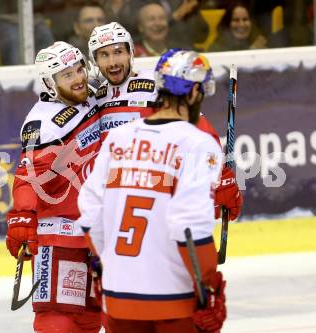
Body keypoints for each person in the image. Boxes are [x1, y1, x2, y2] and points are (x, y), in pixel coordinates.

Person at [78, 48, 227, 333]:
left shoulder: (120, 137)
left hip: (118, 297)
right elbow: (189, 225)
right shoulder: (197, 142)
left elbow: (89, 210)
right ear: (194, 92)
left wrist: (107, 265)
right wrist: (208, 282)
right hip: (173, 298)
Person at [88, 21, 243, 223]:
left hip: (162, 199)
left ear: (130, 53)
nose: (112, 62)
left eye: (118, 52)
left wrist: (220, 176)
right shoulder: (95, 99)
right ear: (95, 60)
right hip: (118, 204)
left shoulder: (156, 85)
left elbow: (199, 130)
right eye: (104, 55)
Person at [5, 41, 101, 333]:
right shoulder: (43, 123)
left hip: (100, 234)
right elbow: (28, 176)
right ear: (50, 82)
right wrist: (23, 216)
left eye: (79, 69)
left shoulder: (95, 96)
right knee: (58, 321)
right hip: (59, 238)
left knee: (91, 319)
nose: (78, 78)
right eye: (67, 75)